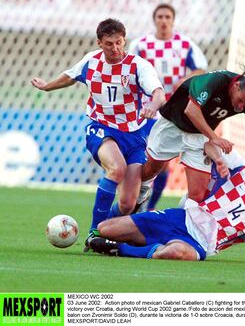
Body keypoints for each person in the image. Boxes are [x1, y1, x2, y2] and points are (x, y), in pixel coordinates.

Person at [31, 18, 166, 248]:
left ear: (125, 40)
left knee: (126, 204)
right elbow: (70, 76)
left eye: (119, 43)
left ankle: (107, 227)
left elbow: (159, 92)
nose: (115, 49)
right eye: (109, 44)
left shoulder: (138, 66)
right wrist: (46, 86)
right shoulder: (91, 61)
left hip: (133, 135)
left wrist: (153, 105)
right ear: (99, 43)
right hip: (100, 126)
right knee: (117, 168)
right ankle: (95, 233)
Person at [88, 143, 245, 267]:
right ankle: (128, 238)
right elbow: (208, 145)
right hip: (180, 218)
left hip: (199, 244)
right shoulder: (241, 171)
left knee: (174, 254)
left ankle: (120, 250)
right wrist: (218, 158)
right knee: (105, 228)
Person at [138, 57, 245, 207]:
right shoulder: (217, 80)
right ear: (236, 86)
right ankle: (139, 196)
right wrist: (214, 137)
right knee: (151, 170)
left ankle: (183, 220)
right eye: (240, 101)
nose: (241, 107)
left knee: (198, 195)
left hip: (199, 136)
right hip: (173, 124)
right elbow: (191, 110)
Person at [127, 3, 208, 210]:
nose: (163, 20)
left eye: (167, 17)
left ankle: (148, 207)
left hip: (172, 113)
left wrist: (186, 79)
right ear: (154, 20)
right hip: (145, 111)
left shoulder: (184, 44)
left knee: (162, 165)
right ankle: (133, 201)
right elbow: (128, 69)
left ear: (173, 20)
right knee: (142, 161)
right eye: (160, 16)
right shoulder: (141, 44)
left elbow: (200, 68)